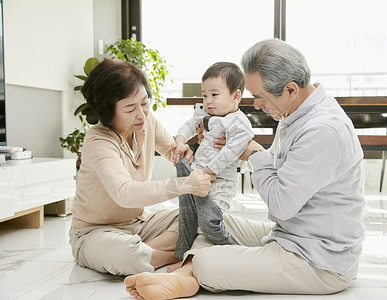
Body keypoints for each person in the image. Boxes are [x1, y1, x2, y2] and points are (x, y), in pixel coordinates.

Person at [124, 38, 365, 299]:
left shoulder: (322, 130)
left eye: (260, 97)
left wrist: (252, 152)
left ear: (291, 90)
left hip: (317, 259)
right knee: (212, 223)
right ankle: (188, 276)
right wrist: (244, 153)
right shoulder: (297, 115)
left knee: (208, 259)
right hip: (291, 234)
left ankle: (191, 272)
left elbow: (280, 204)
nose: (257, 105)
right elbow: (277, 167)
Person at [69, 59, 215, 276]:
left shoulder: (146, 122)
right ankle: (176, 253)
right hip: (94, 233)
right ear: (107, 111)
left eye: (144, 103)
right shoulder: (98, 141)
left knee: (200, 216)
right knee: (125, 256)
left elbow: (171, 150)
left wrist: (183, 150)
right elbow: (125, 193)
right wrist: (186, 184)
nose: (141, 113)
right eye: (130, 108)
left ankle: (146, 252)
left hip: (140, 224)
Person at [172, 62, 254, 260]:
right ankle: (182, 256)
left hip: (219, 183)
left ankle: (234, 252)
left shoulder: (239, 123)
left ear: (236, 96)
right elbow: (189, 125)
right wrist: (180, 141)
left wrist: (208, 172)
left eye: (215, 95)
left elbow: (230, 152)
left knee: (209, 222)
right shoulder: (205, 114)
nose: (208, 100)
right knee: (187, 219)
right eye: (205, 95)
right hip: (196, 178)